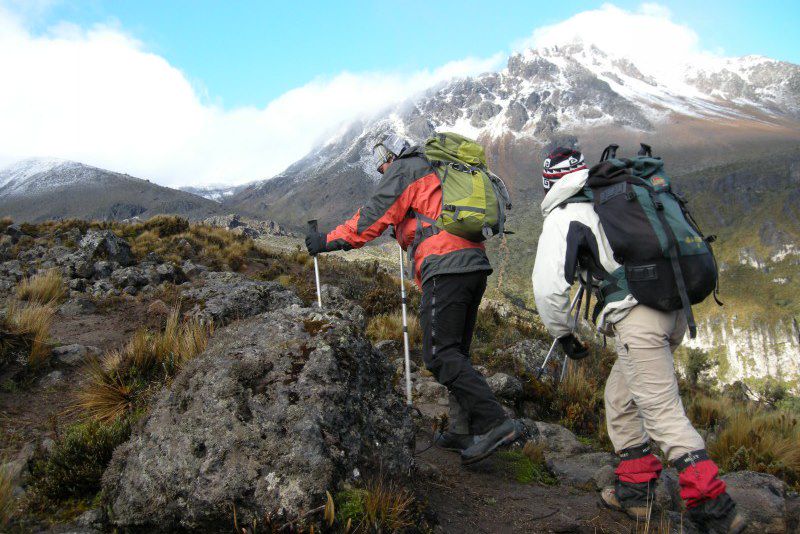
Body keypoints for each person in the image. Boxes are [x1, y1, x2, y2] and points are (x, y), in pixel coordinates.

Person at [531, 147, 744, 533]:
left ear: (548, 184)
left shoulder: (565, 214)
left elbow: (548, 289)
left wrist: (563, 334)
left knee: (662, 413)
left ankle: (715, 508)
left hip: (637, 319)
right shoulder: (616, 196)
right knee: (620, 397)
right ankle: (636, 490)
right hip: (674, 310)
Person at [305, 133, 523, 465]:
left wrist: (326, 240)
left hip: (445, 267)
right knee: (456, 352)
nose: (382, 171)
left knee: (439, 354)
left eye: (381, 165)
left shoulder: (405, 169)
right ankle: (463, 431)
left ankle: (497, 423)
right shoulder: (439, 167)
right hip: (473, 265)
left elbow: (370, 221)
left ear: (389, 156)